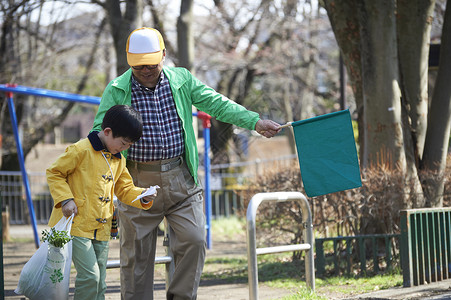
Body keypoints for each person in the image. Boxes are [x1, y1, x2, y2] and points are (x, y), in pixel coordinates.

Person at [91, 27, 281, 300]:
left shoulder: (181, 80)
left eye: (151, 65)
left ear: (164, 56)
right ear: (130, 62)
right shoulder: (117, 89)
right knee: (136, 259)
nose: (145, 70)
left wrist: (254, 121)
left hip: (181, 177)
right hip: (136, 184)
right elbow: (101, 129)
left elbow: (217, 103)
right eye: (139, 66)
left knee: (194, 240)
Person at [47, 105, 157, 300]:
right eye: (123, 143)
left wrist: (142, 195)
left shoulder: (118, 159)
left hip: (103, 227)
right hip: (77, 225)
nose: (124, 149)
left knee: (100, 282)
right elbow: (54, 172)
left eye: (128, 146)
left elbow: (124, 189)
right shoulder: (80, 150)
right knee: (90, 276)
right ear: (107, 132)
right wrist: (66, 199)